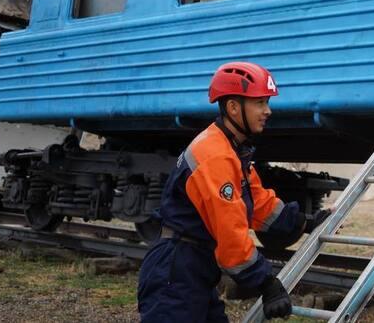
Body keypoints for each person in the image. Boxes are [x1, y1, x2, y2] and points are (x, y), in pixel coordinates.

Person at [137, 62, 327, 322]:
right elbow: (230, 234)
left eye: (266, 103)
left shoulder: (232, 149)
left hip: (192, 267)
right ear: (234, 108)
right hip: (176, 270)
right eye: (260, 103)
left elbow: (259, 204)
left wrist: (305, 222)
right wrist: (267, 283)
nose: (267, 111)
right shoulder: (216, 156)